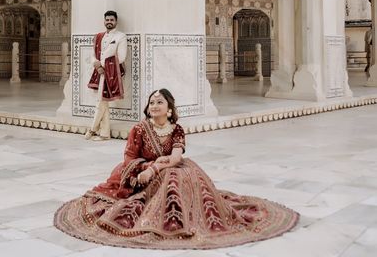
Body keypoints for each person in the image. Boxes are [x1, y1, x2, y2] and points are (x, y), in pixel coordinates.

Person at [55, 89, 299, 250]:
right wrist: (147, 169)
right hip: (138, 171)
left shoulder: (177, 129)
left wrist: (156, 168)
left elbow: (176, 156)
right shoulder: (139, 130)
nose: (154, 105)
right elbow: (129, 157)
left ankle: (185, 218)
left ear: (169, 108)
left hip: (163, 168)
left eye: (159, 102)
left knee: (183, 173)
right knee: (172, 175)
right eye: (151, 102)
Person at [84, 10, 127, 141]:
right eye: (107, 20)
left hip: (112, 72)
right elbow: (92, 54)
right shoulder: (98, 36)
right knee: (103, 102)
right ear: (104, 21)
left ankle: (92, 129)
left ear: (116, 21)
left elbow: (121, 57)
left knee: (101, 101)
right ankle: (104, 134)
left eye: (111, 20)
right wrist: (96, 64)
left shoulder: (121, 36)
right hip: (100, 72)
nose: (109, 22)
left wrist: (102, 65)